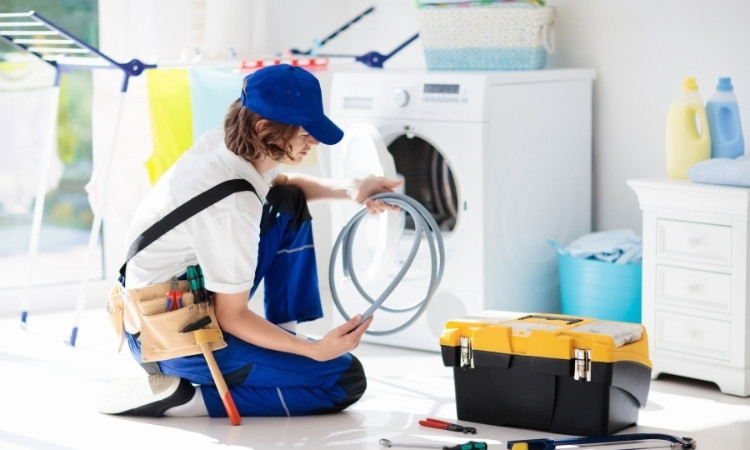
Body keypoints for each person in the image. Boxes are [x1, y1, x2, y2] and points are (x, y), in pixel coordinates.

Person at [98, 64, 402, 419]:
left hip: (164, 299)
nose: (313, 142)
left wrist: (351, 188)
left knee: (287, 201)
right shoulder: (233, 208)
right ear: (264, 128)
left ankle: (282, 338)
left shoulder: (224, 144)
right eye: (305, 133)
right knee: (343, 380)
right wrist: (315, 351)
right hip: (167, 337)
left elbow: (282, 182)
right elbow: (232, 315)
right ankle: (186, 399)